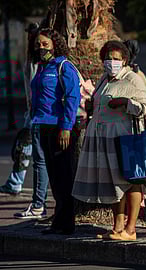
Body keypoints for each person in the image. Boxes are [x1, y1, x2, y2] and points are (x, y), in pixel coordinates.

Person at [72, 40, 146, 241]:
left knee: (131, 183)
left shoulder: (133, 79)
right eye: (108, 58)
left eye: (116, 59)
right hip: (103, 138)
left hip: (123, 138)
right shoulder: (104, 79)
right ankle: (117, 228)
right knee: (114, 185)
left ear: (124, 60)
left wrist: (126, 103)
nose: (112, 62)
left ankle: (130, 229)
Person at [29, 28, 81, 235]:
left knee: (63, 176)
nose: (41, 47)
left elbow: (72, 98)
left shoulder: (63, 67)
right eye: (38, 44)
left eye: (45, 44)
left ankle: (67, 223)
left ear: (54, 44)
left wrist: (66, 128)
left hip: (60, 128)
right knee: (54, 176)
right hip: (42, 126)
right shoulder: (42, 67)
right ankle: (59, 221)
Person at [0, 23, 47, 204]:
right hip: (32, 111)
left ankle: (31, 195)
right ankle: (16, 182)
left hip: (37, 112)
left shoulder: (37, 60)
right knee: (24, 148)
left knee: (36, 156)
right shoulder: (31, 58)